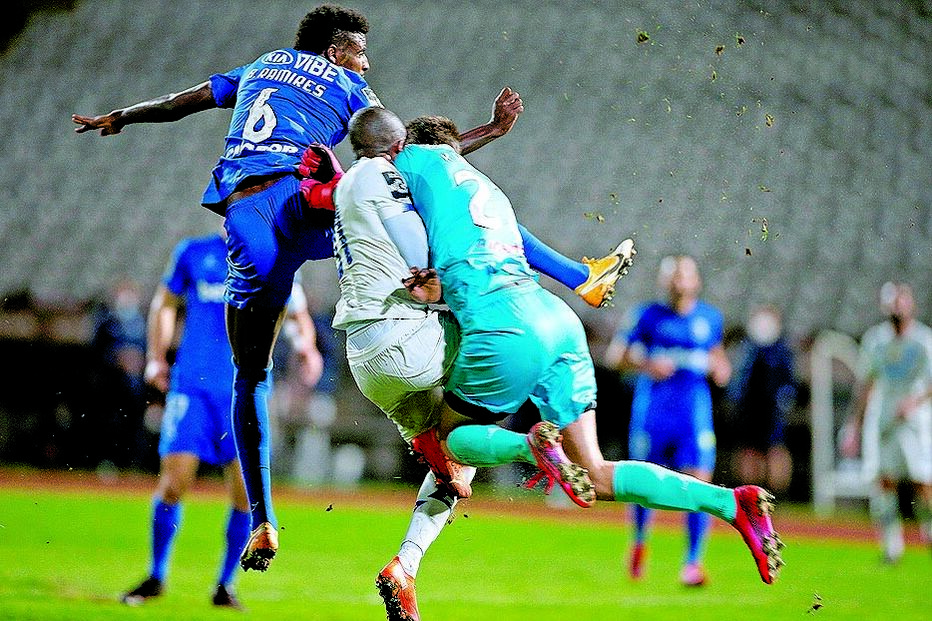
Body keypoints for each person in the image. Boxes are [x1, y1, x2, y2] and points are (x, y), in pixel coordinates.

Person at [71, 4, 521, 571]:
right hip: (309, 209)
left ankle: (263, 521)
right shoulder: (355, 88)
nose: (366, 60)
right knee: (419, 203)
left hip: (251, 211)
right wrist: (491, 132)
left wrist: (121, 116)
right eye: (360, 50)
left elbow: (183, 101)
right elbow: (419, 161)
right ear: (337, 51)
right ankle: (450, 306)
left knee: (250, 374)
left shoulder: (260, 66)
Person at [309, 108, 783, 617]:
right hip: (557, 321)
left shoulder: (406, 162)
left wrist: (334, 181)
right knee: (595, 473)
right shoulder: (488, 192)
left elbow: (372, 178)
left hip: (503, 327)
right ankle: (732, 503)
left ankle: (530, 446)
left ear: (407, 147)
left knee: (449, 443)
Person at [300, 109, 635, 621]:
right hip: (407, 336)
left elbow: (427, 173)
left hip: (367, 360)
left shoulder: (352, 185)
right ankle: (531, 445)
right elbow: (450, 225)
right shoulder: (385, 173)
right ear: (394, 150)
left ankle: (405, 566)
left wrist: (488, 133)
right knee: (498, 329)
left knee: (456, 459)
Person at [120, 231, 322, 609]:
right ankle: (157, 574)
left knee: (244, 494)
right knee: (173, 483)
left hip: (245, 391)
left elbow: (296, 315)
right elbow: (164, 303)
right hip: (191, 387)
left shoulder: (271, 256)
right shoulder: (194, 253)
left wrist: (306, 347)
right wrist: (156, 355)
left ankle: (225, 584)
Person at [603, 255, 732, 586]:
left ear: (696, 280)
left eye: (684, 274)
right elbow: (615, 356)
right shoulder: (646, 316)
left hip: (694, 414)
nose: (678, 281)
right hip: (654, 413)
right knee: (646, 483)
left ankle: (692, 562)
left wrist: (721, 368)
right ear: (663, 282)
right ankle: (640, 540)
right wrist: (647, 364)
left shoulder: (709, 318)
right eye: (673, 275)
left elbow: (718, 358)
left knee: (699, 482)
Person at [842, 282, 932, 563]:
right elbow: (866, 384)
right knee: (884, 481)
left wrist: (914, 402)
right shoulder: (875, 340)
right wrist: (854, 426)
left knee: (922, 481)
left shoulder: (923, 340)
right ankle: (892, 546)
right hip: (883, 418)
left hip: (915, 421)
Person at [726, 305, 796, 495]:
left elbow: (789, 381)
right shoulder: (746, 348)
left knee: (776, 452)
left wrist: (784, 400)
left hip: (772, 411)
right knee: (749, 453)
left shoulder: (781, 350)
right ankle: (748, 497)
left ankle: (777, 498)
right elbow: (738, 379)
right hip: (749, 410)